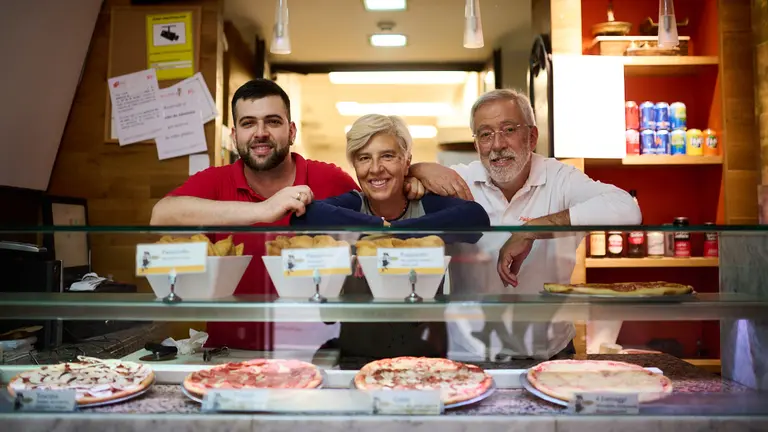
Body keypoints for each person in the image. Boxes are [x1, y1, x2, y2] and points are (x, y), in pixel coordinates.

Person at [150, 79, 422, 351]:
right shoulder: (215, 181)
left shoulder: (330, 179)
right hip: (230, 355)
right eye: (248, 123)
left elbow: (380, 213)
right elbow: (161, 216)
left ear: (291, 132)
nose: (260, 133)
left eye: (272, 121)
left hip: (321, 354)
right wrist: (262, 210)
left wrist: (418, 174)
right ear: (234, 137)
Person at [407, 89, 642, 360]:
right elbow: (393, 186)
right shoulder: (460, 180)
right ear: (476, 144)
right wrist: (418, 169)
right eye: (485, 134)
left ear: (532, 137)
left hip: (550, 352)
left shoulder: (560, 178)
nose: (496, 144)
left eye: (508, 129)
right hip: (470, 353)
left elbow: (628, 209)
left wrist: (532, 229)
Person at [291, 114, 491, 366]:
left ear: (406, 161)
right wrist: (380, 227)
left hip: (426, 356)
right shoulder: (355, 204)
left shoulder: (425, 204)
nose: (375, 168)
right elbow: (304, 217)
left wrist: (394, 231)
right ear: (354, 165)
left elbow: (475, 218)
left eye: (387, 156)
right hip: (356, 357)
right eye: (364, 158)